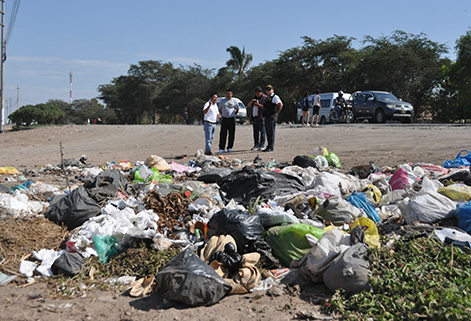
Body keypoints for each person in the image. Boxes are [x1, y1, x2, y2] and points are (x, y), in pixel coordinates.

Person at [261, 85, 283, 152]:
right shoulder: (267, 98)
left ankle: (271, 146)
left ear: (272, 90)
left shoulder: (275, 97)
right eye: (267, 90)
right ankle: (269, 146)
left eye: (269, 89)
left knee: (271, 132)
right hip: (267, 116)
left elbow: (280, 104)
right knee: (268, 132)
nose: (268, 91)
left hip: (271, 117)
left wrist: (276, 113)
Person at [218, 89, 239, 153]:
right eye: (227, 93)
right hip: (224, 119)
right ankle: (221, 148)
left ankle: (230, 147)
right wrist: (222, 114)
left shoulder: (234, 101)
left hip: (231, 119)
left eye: (229, 94)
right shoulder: (222, 101)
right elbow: (219, 109)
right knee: (223, 134)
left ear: (232, 94)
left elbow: (237, 109)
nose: (228, 95)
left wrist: (233, 114)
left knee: (231, 133)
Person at [246, 86, 267, 150]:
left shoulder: (265, 98)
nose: (257, 94)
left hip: (261, 117)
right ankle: (256, 144)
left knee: (262, 132)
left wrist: (258, 105)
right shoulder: (254, 98)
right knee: (256, 132)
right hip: (255, 117)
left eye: (258, 93)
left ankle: (262, 145)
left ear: (261, 92)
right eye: (256, 93)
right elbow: (248, 106)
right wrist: (252, 101)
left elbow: (266, 107)